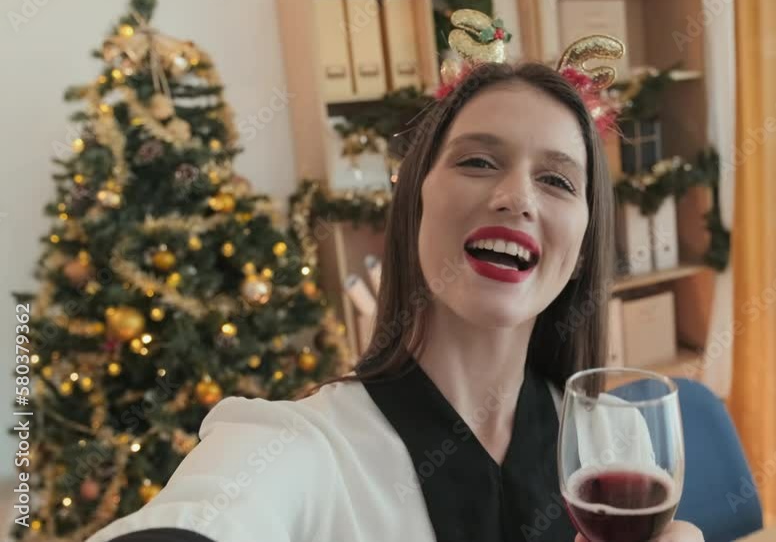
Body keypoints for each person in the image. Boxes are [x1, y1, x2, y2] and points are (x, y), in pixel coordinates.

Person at [86, 61, 704, 542]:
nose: (517, 197)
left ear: (585, 242)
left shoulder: (615, 435)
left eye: (557, 180)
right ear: (414, 201)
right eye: (478, 161)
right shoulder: (300, 446)